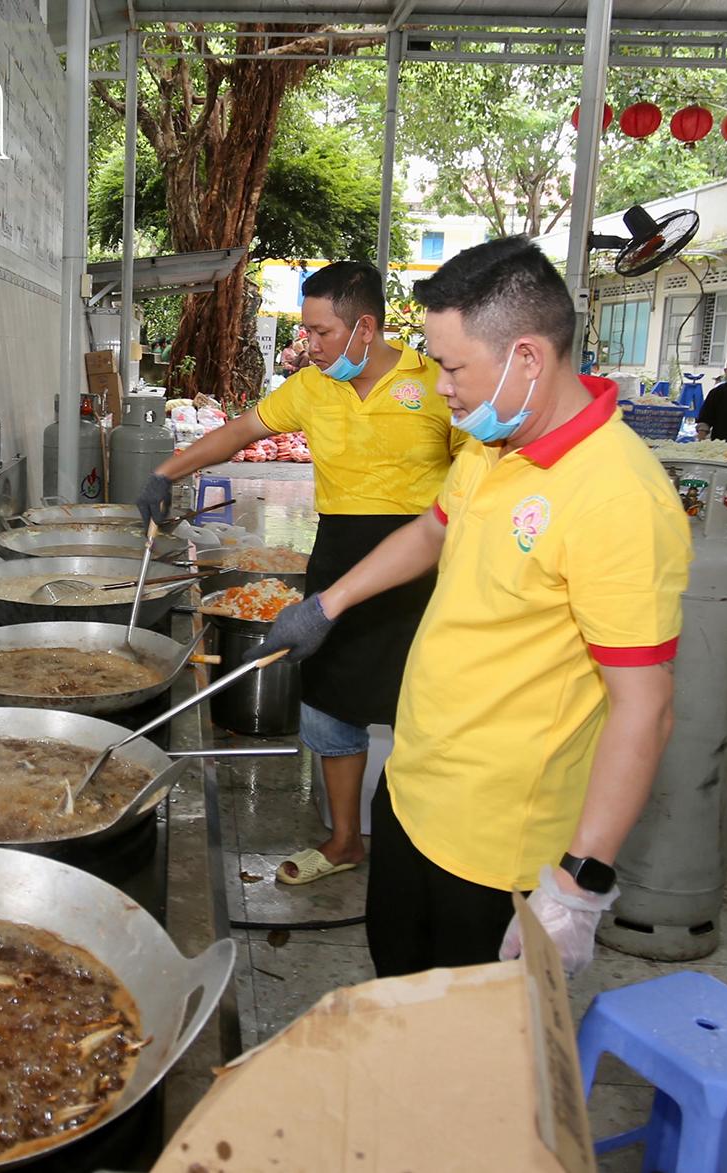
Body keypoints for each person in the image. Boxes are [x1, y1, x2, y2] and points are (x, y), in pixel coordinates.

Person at [252, 237, 690, 978]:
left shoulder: (618, 496)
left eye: (453, 368)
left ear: (527, 357)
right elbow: (432, 530)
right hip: (413, 792)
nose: (441, 388)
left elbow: (645, 708)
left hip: (499, 844)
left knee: (473, 1031)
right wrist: (328, 603)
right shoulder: (494, 445)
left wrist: (579, 883)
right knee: (400, 985)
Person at [136, 261, 462, 886]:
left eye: (321, 332)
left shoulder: (436, 384)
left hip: (426, 562)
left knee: (426, 703)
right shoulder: (311, 387)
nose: (307, 345)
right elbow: (241, 431)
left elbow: (477, 482)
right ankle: (344, 841)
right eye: (305, 331)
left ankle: (431, 847)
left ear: (365, 327)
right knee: (330, 704)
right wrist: (165, 472)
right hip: (339, 551)